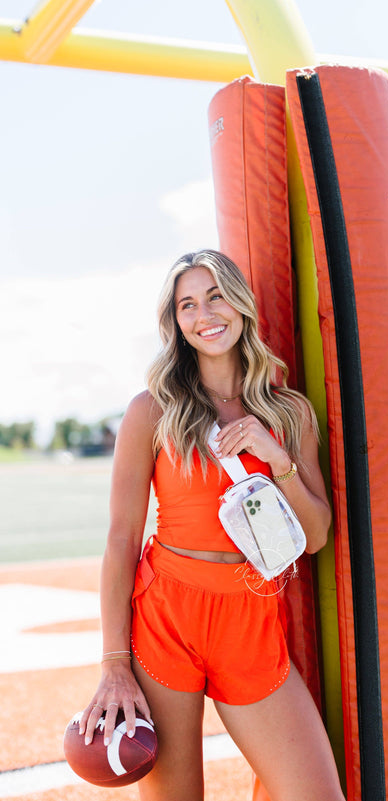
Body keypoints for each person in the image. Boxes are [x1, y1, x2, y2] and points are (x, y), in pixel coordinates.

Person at [79, 249, 345, 801]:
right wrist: (113, 664)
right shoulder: (152, 411)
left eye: (216, 295)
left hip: (250, 617)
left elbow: (316, 535)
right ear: (175, 322)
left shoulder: (287, 411)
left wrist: (277, 459)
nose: (205, 314)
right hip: (167, 620)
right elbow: (122, 539)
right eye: (187, 305)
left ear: (241, 303)